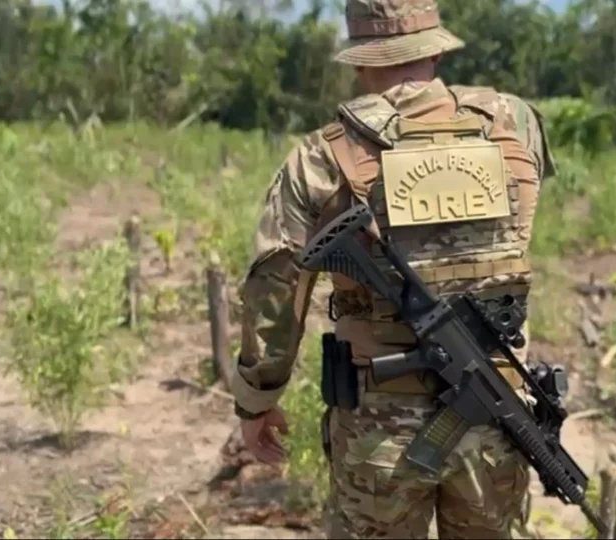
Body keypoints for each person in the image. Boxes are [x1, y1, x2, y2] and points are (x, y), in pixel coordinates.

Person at [230, 0, 555, 537]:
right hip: (497, 427)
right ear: (434, 47)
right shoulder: (515, 123)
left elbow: (276, 283)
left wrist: (258, 399)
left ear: (360, 58)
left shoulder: (320, 155)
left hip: (380, 433)